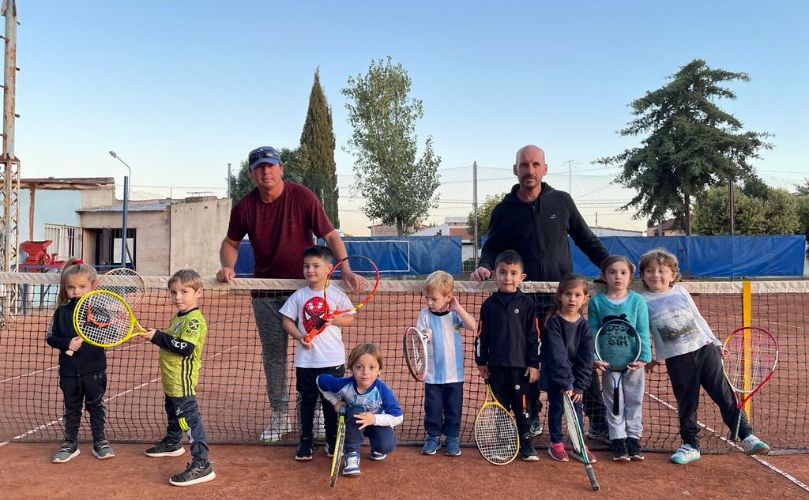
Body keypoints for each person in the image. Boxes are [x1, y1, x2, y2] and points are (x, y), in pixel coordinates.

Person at [470, 144, 611, 442]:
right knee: (527, 362)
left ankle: (597, 419)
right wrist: (484, 264)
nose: (529, 170)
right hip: (526, 304)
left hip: (564, 303)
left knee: (578, 360)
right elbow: (492, 246)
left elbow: (586, 238)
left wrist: (609, 265)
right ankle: (531, 415)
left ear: (545, 169)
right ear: (515, 169)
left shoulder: (562, 201)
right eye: (524, 165)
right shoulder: (504, 210)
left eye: (535, 164)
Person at [217, 145, 357, 443]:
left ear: (281, 169)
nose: (265, 171)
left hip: (305, 292)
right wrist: (227, 267)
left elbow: (330, 234)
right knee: (274, 357)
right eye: (259, 167)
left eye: (270, 165)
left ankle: (318, 413)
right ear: (252, 173)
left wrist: (344, 268)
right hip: (265, 294)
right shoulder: (244, 207)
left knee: (316, 353)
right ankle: (280, 416)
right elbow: (230, 243)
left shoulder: (303, 196)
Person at [638, 249, 770, 464]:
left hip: (704, 350)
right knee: (687, 402)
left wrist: (716, 343)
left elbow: (698, 319)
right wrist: (650, 355)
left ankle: (746, 435)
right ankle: (690, 445)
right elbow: (644, 330)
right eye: (650, 271)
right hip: (677, 359)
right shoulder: (641, 300)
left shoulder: (680, 292)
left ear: (672, 275)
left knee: (724, 395)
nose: (656, 275)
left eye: (662, 270)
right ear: (642, 275)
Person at [280, 245, 355, 461]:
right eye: (306, 266)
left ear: (329, 269)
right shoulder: (299, 295)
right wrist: (299, 336)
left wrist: (336, 319)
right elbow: (286, 320)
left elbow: (350, 318)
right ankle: (305, 441)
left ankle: (332, 440)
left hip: (332, 361)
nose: (310, 270)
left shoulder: (336, 294)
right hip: (306, 362)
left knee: (332, 403)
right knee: (307, 401)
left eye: (315, 266)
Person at [142, 269, 215, 486]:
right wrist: (159, 336)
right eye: (174, 292)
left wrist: (158, 337)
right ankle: (173, 442)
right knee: (172, 412)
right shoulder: (179, 316)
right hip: (170, 378)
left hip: (182, 381)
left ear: (198, 292)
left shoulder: (194, 320)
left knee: (190, 420)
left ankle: (202, 464)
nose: (178, 297)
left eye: (184, 291)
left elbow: (185, 347)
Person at [46, 259, 114, 463]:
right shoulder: (61, 312)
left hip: (94, 369)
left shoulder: (100, 310)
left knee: (95, 406)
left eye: (82, 287)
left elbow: (110, 333)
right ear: (65, 288)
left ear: (93, 286)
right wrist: (67, 343)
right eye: (71, 287)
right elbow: (50, 337)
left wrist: (95, 332)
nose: (76, 291)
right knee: (72, 407)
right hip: (69, 371)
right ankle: (70, 443)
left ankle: (100, 441)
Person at [474, 250, 540, 461]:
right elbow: (481, 336)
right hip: (496, 368)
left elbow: (534, 337)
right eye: (503, 272)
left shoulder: (528, 304)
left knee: (523, 408)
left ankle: (527, 444)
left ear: (522, 277)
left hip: (521, 368)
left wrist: (534, 364)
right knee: (500, 410)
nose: (508, 278)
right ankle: (505, 444)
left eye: (513, 273)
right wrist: (481, 361)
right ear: (495, 274)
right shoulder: (489, 305)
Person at [588, 256, 651, 462]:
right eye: (612, 272)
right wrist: (595, 357)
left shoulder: (637, 301)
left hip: (633, 363)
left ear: (630, 276)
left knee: (634, 401)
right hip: (609, 365)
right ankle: (618, 441)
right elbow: (593, 332)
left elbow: (642, 330)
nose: (618, 276)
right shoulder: (597, 302)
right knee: (613, 403)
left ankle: (633, 440)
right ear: (604, 276)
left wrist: (644, 357)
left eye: (623, 272)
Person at [317, 343, 403, 476]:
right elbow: (320, 380)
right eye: (359, 367)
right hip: (353, 423)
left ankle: (377, 445)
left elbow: (398, 416)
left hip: (375, 422)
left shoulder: (383, 390)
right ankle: (351, 455)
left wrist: (373, 419)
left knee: (386, 446)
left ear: (379, 370)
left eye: (372, 367)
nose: (365, 373)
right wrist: (336, 401)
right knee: (356, 411)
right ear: (351, 368)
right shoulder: (343, 385)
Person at [415, 271, 477, 457]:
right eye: (427, 298)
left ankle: (452, 438)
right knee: (432, 408)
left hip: (454, 374)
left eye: (433, 299)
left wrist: (458, 308)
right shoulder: (424, 315)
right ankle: (433, 437)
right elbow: (418, 337)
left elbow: (472, 325)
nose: (429, 302)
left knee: (453, 408)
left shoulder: (454, 315)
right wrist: (423, 336)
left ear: (448, 297)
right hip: (432, 374)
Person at [541, 274, 597, 464]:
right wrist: (566, 382)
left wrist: (579, 385)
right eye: (568, 294)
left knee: (577, 410)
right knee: (557, 409)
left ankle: (578, 444)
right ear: (560, 296)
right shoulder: (554, 322)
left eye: (577, 295)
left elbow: (585, 358)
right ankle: (556, 443)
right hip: (556, 377)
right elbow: (558, 356)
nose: (572, 299)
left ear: (585, 298)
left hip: (574, 381)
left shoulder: (585, 327)